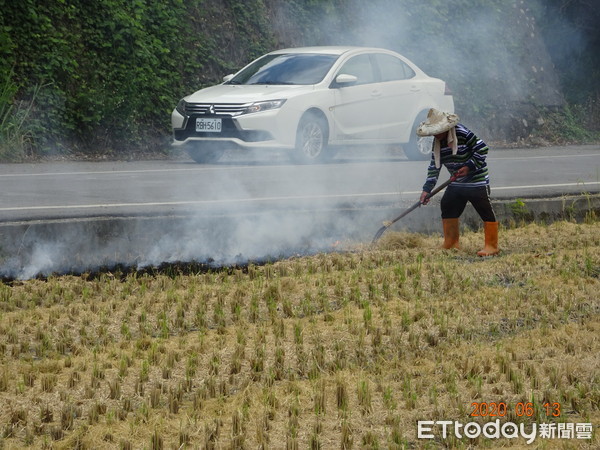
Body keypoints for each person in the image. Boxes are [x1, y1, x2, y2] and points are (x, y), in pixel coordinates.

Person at [417, 108, 499, 256]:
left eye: (438, 130)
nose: (435, 134)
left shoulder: (462, 133)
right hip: (456, 183)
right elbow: (434, 167)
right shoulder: (438, 143)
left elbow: (482, 149)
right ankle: (451, 243)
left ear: (446, 128)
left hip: (476, 180)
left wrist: (469, 167)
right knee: (447, 204)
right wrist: (427, 190)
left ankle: (492, 246)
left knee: (484, 210)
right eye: (433, 131)